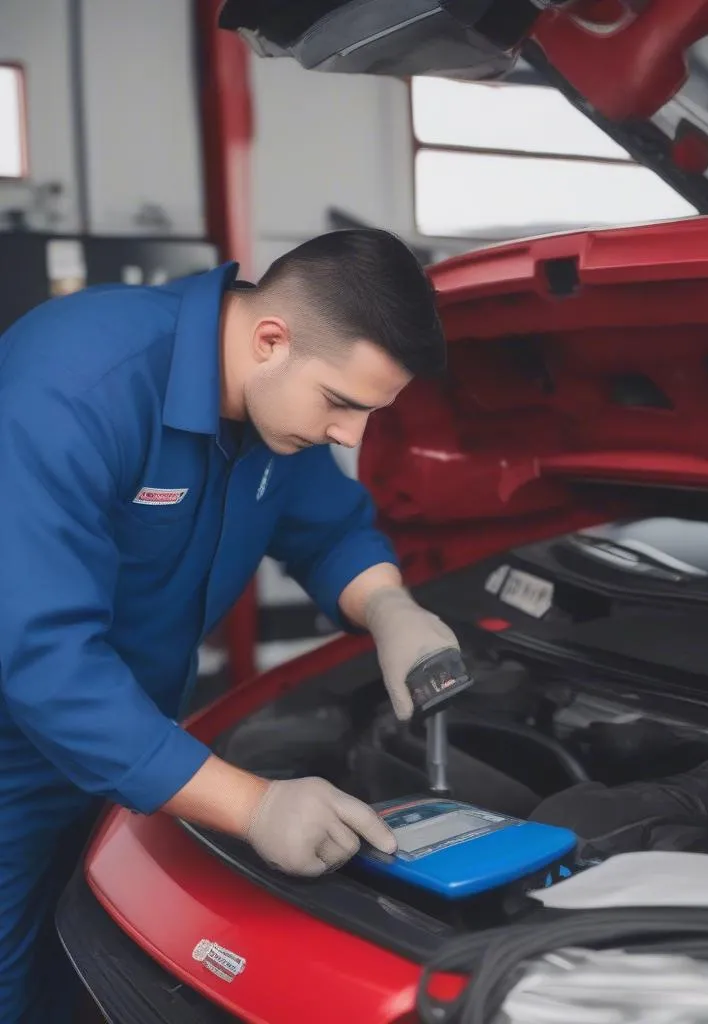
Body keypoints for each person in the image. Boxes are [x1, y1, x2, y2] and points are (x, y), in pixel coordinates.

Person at [0, 229, 467, 1022]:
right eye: (343, 404)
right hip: (17, 749)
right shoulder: (74, 383)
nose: (351, 437)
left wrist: (390, 606)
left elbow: (328, 530)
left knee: (81, 970)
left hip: (134, 748)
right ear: (269, 338)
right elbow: (44, 660)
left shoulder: (274, 407)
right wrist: (253, 806)